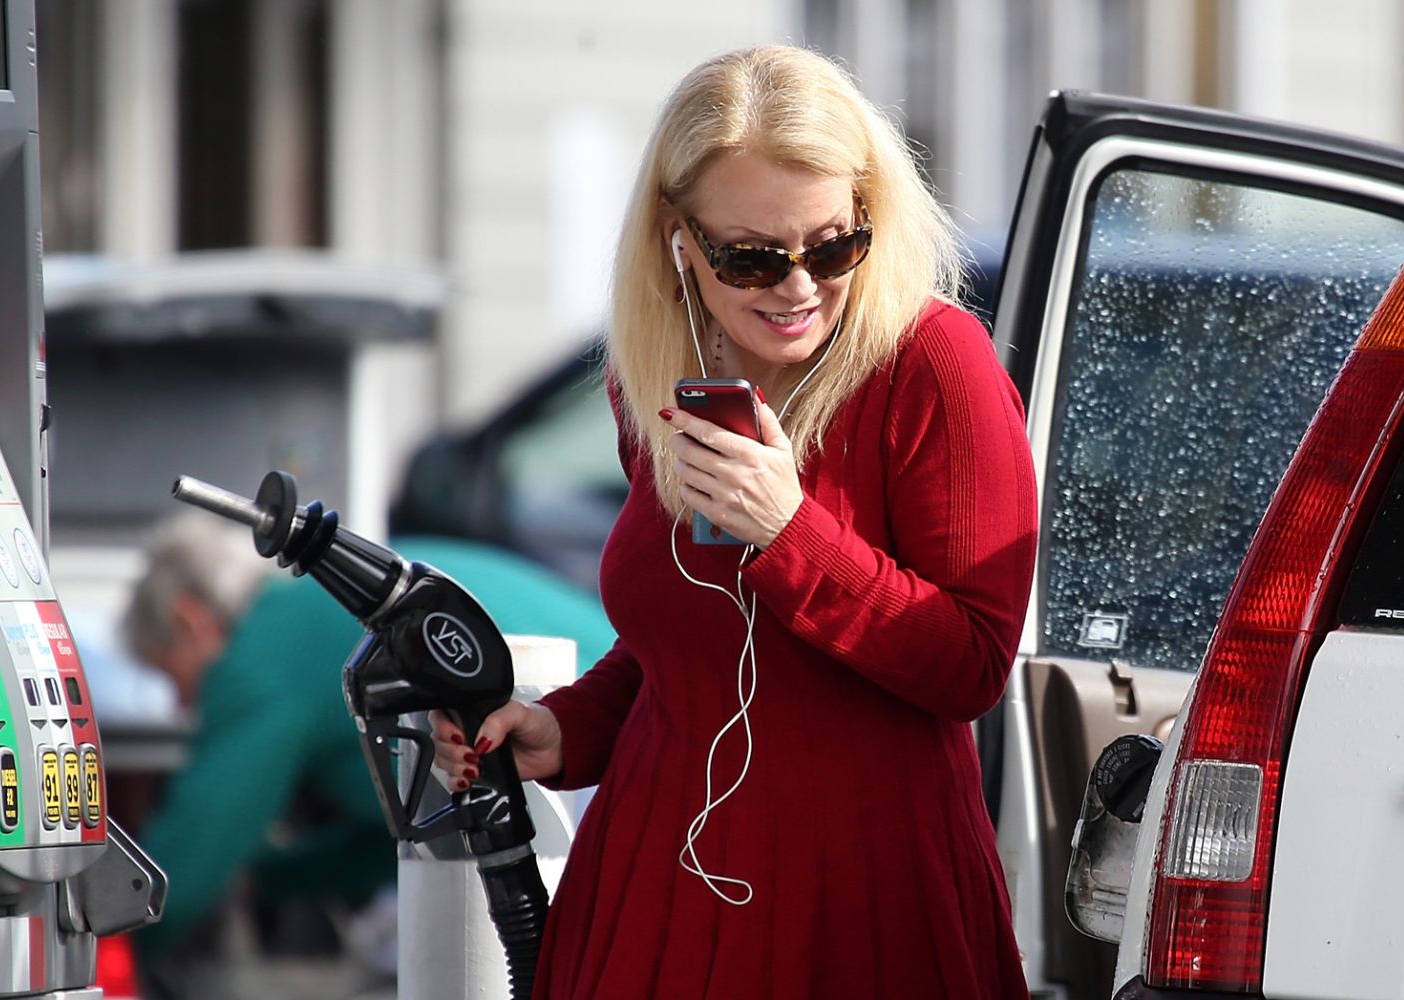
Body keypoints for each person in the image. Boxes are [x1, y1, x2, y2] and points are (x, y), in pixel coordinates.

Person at [432, 45, 1038, 997]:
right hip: (658, 878)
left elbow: (970, 663)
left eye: (834, 245)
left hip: (863, 898)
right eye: (753, 258)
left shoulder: (935, 363)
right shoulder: (663, 378)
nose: (798, 287)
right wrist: (565, 728)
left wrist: (789, 530)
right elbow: (685, 641)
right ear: (680, 241)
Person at [124, 512, 618, 974]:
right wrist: (271, 879)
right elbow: (411, 831)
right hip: (620, 727)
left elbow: (180, 873)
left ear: (192, 620)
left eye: (171, 675)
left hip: (578, 767)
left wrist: (102, 948)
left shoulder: (259, 656)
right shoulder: (318, 605)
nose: (182, 706)